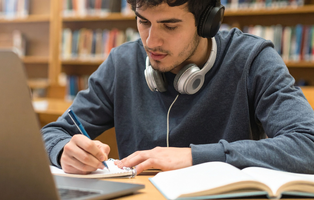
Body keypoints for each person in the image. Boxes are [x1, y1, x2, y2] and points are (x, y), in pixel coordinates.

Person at [41, 0, 314, 175]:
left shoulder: (252, 59)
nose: (151, 41)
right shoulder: (122, 62)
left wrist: (197, 156)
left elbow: (308, 143)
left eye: (169, 26)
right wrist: (64, 150)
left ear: (207, 23)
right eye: (143, 21)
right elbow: (51, 133)